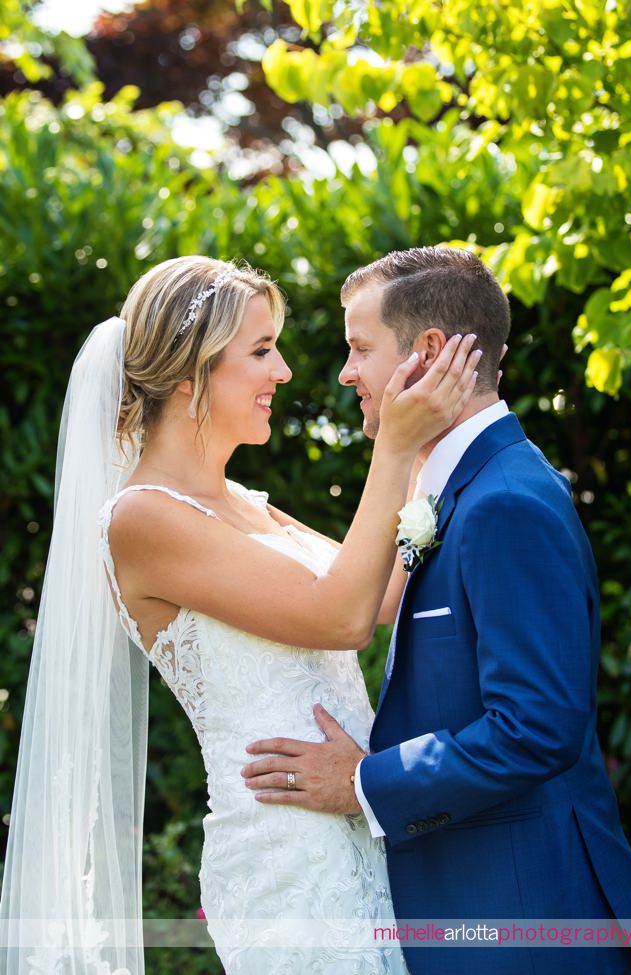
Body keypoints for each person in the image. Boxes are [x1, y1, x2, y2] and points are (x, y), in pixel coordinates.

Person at [0, 254, 481, 975]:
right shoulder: (140, 518)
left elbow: (382, 595)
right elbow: (343, 616)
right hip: (288, 870)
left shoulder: (250, 506)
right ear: (191, 375)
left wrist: (425, 436)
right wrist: (396, 443)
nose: (284, 371)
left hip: (357, 831)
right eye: (261, 351)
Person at [242, 245, 631, 975]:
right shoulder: (456, 490)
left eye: (359, 348)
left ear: (428, 352)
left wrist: (363, 782)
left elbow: (534, 729)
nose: (345, 374)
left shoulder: (506, 503)